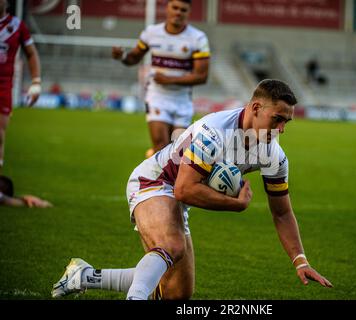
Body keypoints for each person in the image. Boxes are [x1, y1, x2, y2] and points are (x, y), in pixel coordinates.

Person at [51, 79, 333, 300]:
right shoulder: (214, 131)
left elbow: (282, 213)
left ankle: (83, 276)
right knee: (172, 245)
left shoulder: (275, 156)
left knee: (177, 294)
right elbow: (184, 189)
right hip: (155, 182)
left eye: (287, 122)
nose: (282, 129)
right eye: (278, 119)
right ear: (256, 109)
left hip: (178, 197)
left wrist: (300, 260)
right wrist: (234, 204)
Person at [112, 0, 210, 159]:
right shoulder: (151, 32)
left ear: (188, 12)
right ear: (168, 8)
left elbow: (202, 76)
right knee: (161, 146)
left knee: (179, 154)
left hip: (182, 100)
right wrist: (122, 56)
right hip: (157, 97)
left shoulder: (198, 38)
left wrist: (169, 79)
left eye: (183, 10)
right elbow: (134, 58)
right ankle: (158, 176)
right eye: (175, 7)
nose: (178, 12)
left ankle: (157, 159)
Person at [0, 0, 41, 173]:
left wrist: (36, 82)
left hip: (3, 85)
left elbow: (31, 53)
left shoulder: (17, 25)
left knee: (0, 134)